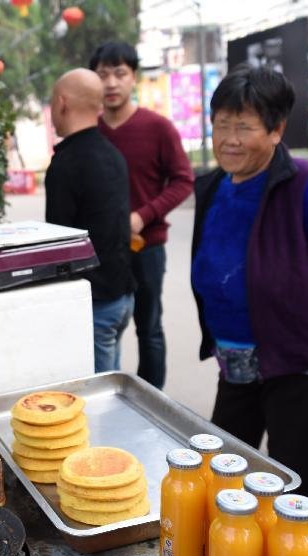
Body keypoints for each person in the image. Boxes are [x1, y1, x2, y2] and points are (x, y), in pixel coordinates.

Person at [191, 66, 308, 503]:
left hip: (303, 367)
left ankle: (287, 553)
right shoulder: (215, 187)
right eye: (221, 124)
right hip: (236, 365)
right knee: (222, 481)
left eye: (244, 127)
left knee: (290, 494)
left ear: (277, 129)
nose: (230, 139)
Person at [89, 41, 194, 389]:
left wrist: (144, 215)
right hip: (102, 253)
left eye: (119, 73)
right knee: (103, 328)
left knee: (149, 328)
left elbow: (183, 180)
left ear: (133, 77)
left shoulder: (158, 127)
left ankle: (152, 401)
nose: (111, 83)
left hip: (146, 247)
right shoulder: (90, 132)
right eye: (103, 75)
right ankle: (109, 396)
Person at [45, 68, 136, 372]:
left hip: (93, 304)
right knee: (112, 383)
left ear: (62, 103)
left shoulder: (66, 164)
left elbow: (59, 245)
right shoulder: (113, 154)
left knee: (96, 394)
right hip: (122, 297)